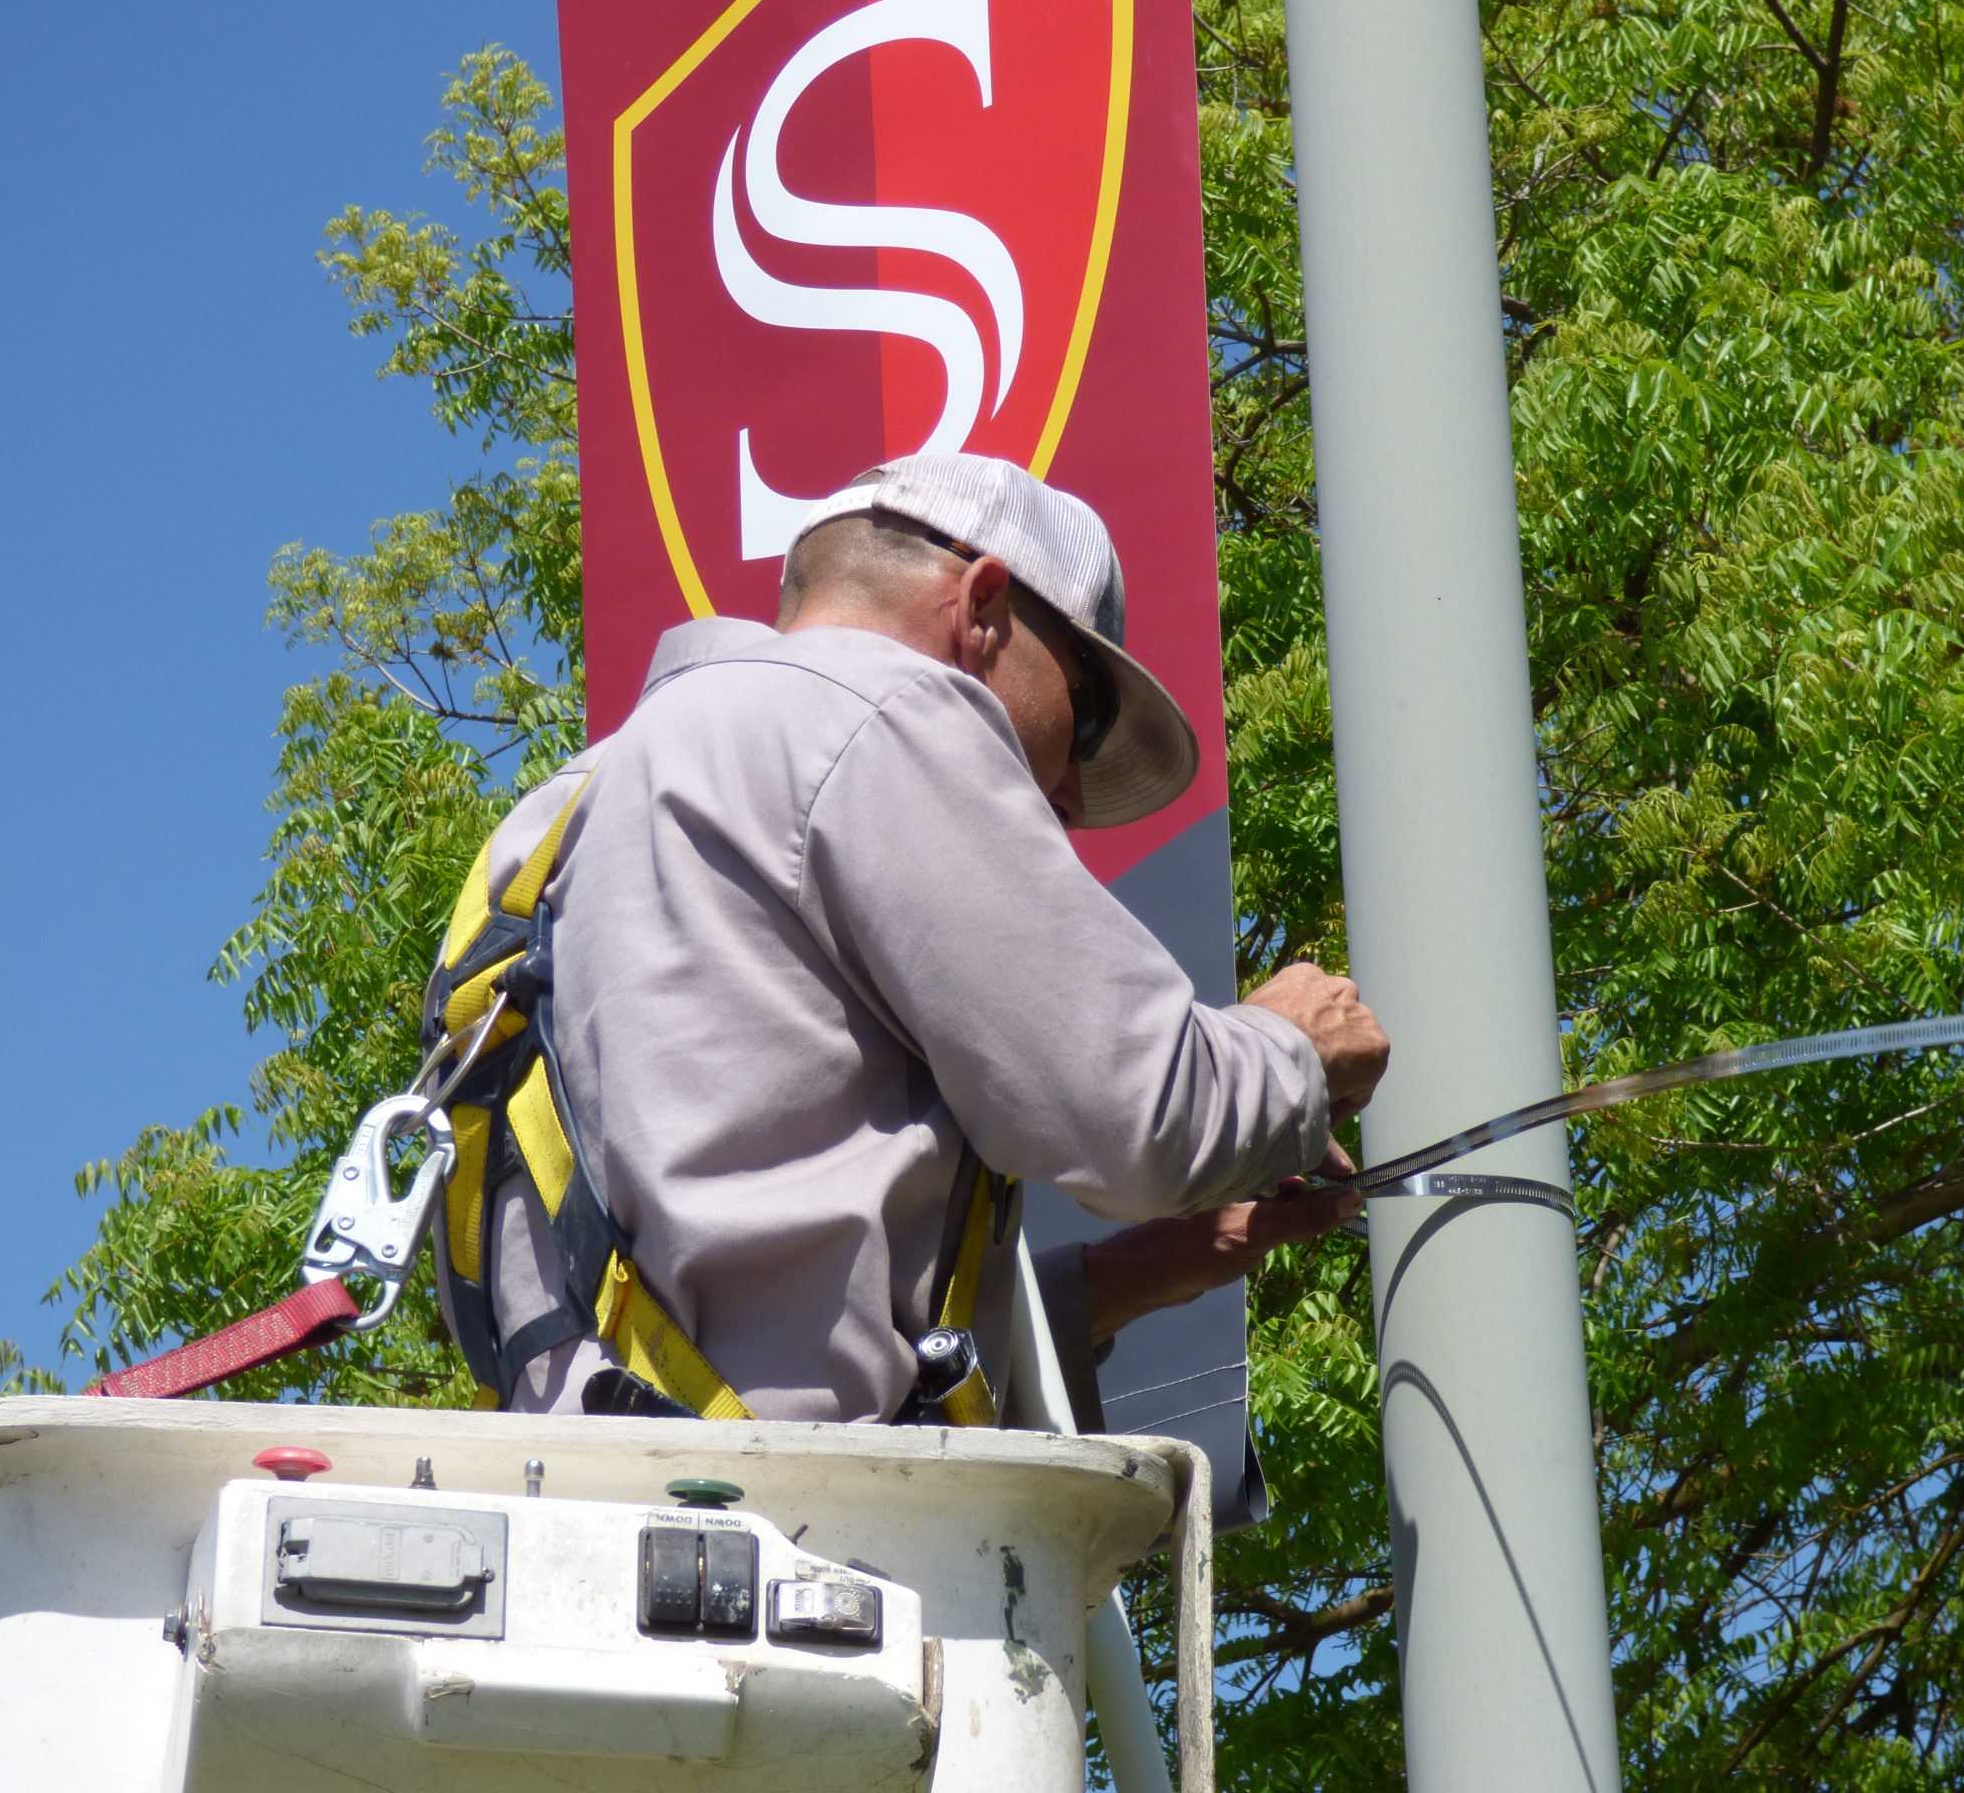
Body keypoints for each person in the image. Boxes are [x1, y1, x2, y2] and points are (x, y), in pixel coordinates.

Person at [475, 452, 1390, 1425]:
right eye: (1081, 728)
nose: (1073, 797)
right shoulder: (879, 710)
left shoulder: (552, 824)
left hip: (596, 1502)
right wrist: (1292, 1046)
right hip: (810, 1539)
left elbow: (747, 1275)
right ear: (983, 608)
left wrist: (1155, 1265)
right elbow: (1144, 1115)